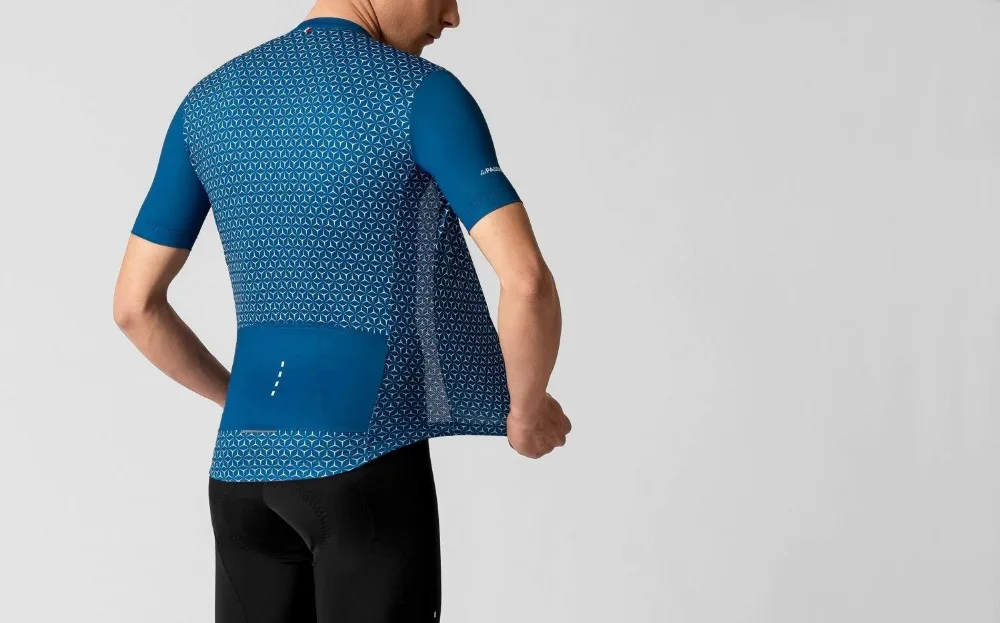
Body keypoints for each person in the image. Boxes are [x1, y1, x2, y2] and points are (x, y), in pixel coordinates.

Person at [112, 0, 570, 620]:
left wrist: (240, 398)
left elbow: (134, 307)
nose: (453, 17)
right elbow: (527, 280)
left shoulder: (208, 102)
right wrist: (526, 410)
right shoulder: (423, 95)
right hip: (365, 467)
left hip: (242, 473)